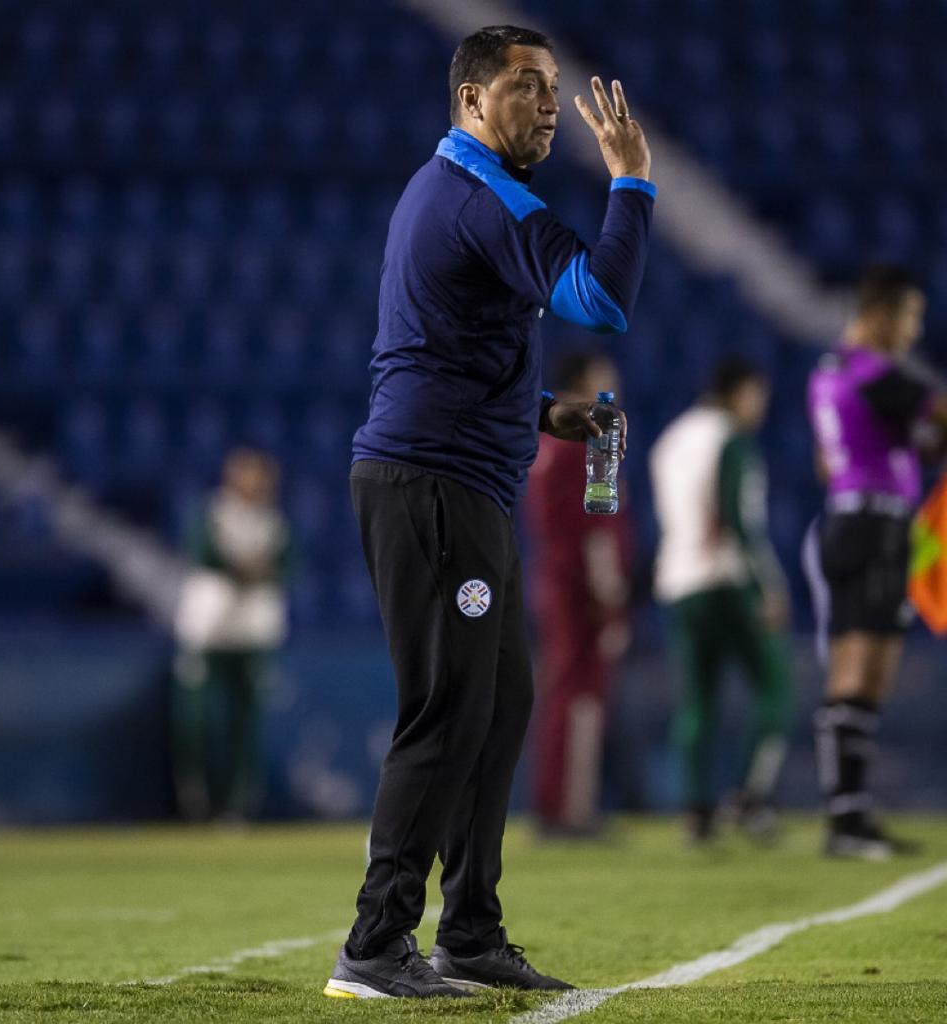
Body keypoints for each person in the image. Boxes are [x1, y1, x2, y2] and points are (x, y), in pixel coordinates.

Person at [324, 24, 655, 1000]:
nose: (549, 103)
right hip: (431, 487)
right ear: (470, 101)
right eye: (526, 86)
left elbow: (452, 343)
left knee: (501, 699)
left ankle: (467, 931)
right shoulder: (484, 195)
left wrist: (548, 412)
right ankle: (375, 944)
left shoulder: (453, 192)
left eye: (552, 86)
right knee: (447, 707)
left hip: (454, 483)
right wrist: (630, 179)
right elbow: (599, 299)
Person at [805, 265, 947, 859]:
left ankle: (847, 814)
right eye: (910, 317)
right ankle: (850, 821)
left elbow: (823, 462)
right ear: (883, 313)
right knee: (870, 669)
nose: (912, 332)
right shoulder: (880, 373)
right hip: (880, 526)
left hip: (839, 518)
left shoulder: (829, 372)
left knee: (845, 667)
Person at [649, 358, 792, 844]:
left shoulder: (671, 439)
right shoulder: (730, 438)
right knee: (774, 685)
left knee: (697, 699)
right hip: (726, 579)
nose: (760, 407)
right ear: (739, 391)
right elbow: (736, 516)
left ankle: (695, 811)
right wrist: (767, 586)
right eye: (757, 395)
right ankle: (749, 798)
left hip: (677, 578)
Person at [525, 352, 632, 837]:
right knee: (581, 697)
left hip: (554, 580)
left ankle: (554, 805)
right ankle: (571, 811)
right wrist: (609, 597)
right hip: (579, 589)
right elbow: (596, 528)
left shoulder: (544, 444)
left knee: (561, 693)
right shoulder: (584, 446)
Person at [171, 448, 290, 821]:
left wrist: (257, 571)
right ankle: (196, 802)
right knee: (198, 723)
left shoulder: (275, 523)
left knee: (245, 727)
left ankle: (239, 807)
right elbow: (204, 554)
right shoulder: (212, 515)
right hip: (208, 633)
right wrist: (248, 569)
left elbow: (287, 565)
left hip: (253, 634)